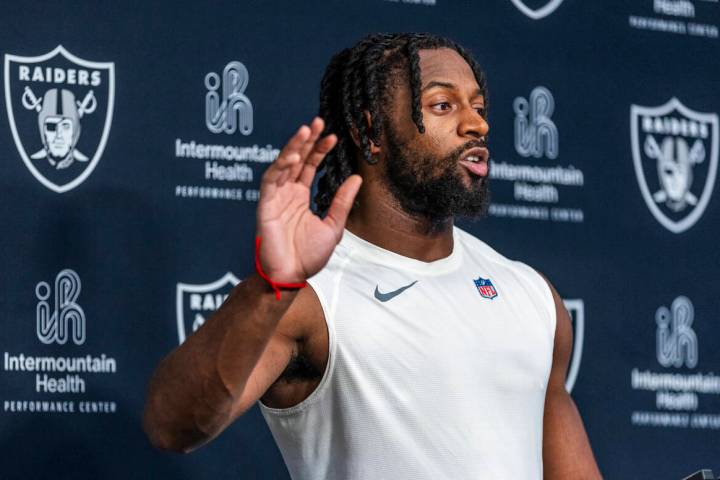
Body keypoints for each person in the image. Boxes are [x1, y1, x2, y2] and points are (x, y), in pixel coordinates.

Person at [144, 32, 603, 479]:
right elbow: (172, 427)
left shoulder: (533, 296)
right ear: (372, 130)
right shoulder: (311, 297)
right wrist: (271, 288)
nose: (477, 124)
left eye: (479, 108)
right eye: (443, 106)